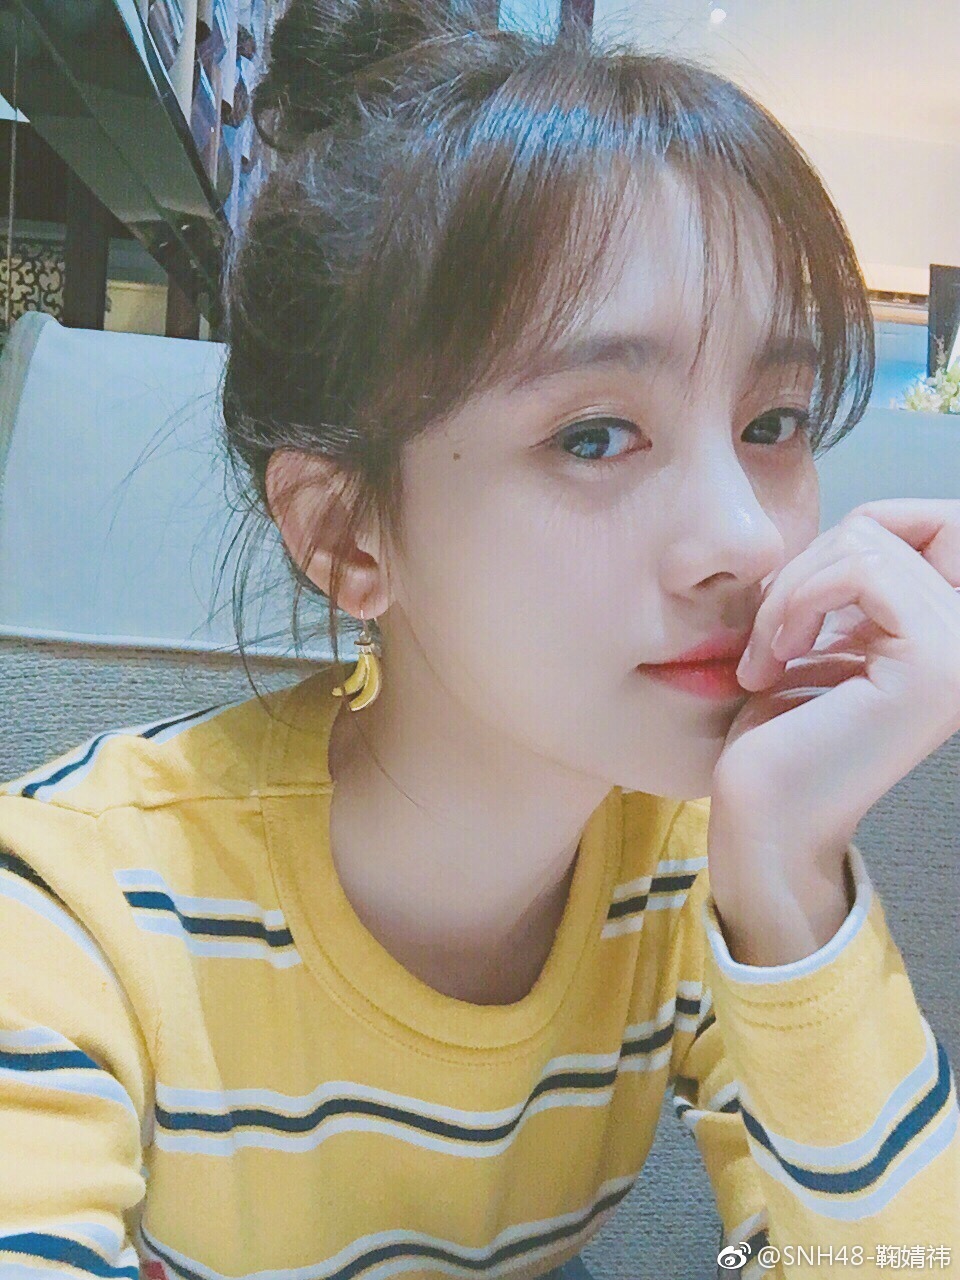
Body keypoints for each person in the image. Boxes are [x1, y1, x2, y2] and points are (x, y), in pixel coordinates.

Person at [1, 1, 958, 1277]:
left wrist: (792, 883)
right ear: (346, 533)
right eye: (594, 436)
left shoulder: (705, 864)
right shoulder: (69, 917)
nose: (748, 536)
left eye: (773, 423)